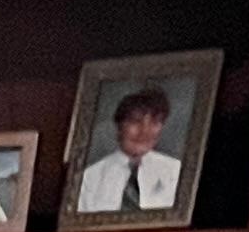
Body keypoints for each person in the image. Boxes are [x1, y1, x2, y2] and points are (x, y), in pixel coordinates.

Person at [77, 86, 184, 214]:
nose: (145, 132)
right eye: (135, 122)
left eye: (154, 123)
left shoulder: (175, 172)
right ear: (119, 126)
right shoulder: (89, 178)